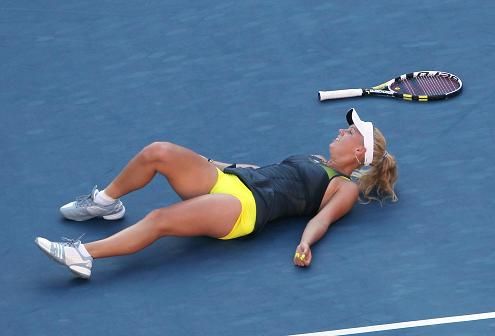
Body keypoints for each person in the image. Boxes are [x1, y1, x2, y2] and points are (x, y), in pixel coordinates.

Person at [35, 108, 398, 279]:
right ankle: (106, 203)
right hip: (232, 182)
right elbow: (264, 171)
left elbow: (321, 219)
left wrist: (305, 244)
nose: (341, 130)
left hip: (243, 208)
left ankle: (83, 255)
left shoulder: (344, 188)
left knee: (160, 220)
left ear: (358, 154)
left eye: (350, 133)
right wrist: (211, 162)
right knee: (158, 152)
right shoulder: (317, 158)